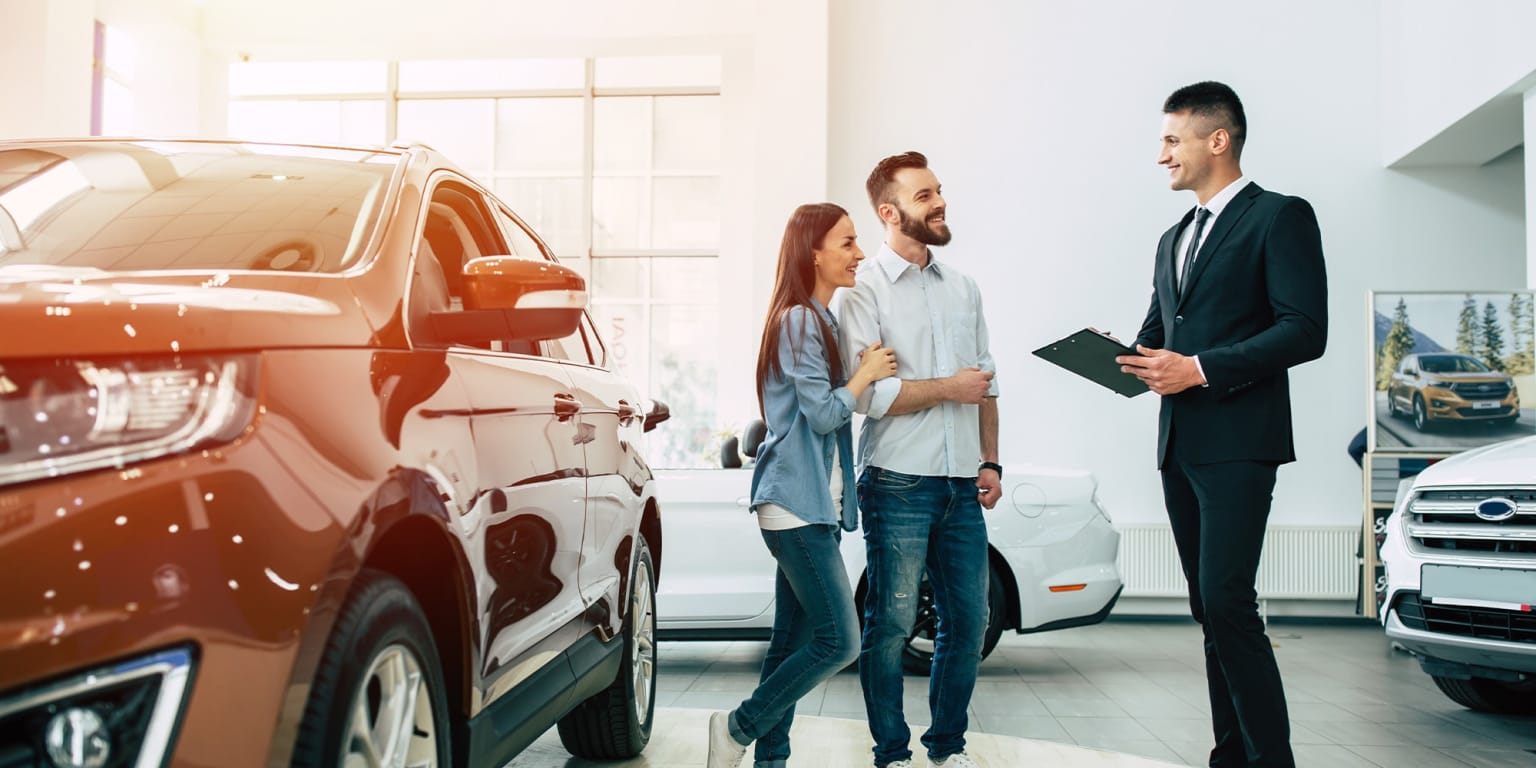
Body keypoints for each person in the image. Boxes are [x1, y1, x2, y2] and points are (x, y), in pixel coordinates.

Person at [1116, 81, 1327, 768]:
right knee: (1210, 610)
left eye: (1171, 140)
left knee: (1229, 604)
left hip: (1240, 443)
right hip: (1180, 446)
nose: (1161, 156)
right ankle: (1230, 755)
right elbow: (1157, 338)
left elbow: (1304, 330)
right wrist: (1118, 357)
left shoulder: (1279, 217)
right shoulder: (1172, 237)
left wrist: (1200, 368)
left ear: (1218, 139)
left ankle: (1272, 761)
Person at [708, 203, 899, 768]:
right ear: (813, 252)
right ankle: (738, 727)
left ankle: (769, 759)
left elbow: (829, 407)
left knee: (791, 642)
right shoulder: (797, 319)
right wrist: (862, 376)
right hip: (793, 503)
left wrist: (857, 370)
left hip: (813, 502)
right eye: (847, 242)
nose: (859, 253)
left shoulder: (822, 320)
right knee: (840, 640)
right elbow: (821, 414)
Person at [836, 151, 999, 768]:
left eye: (939, 191)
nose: (940, 202)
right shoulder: (862, 291)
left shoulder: (964, 288)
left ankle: (947, 748)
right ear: (890, 211)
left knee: (969, 623)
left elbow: (986, 383)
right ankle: (892, 753)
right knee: (890, 625)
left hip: (963, 482)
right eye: (925, 195)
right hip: (897, 481)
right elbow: (870, 398)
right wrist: (948, 389)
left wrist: (992, 461)